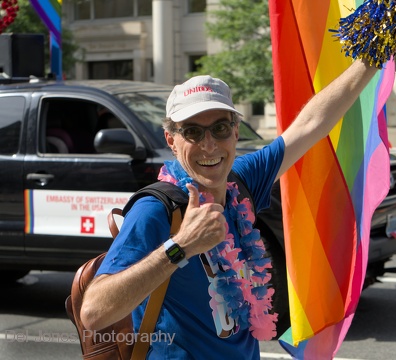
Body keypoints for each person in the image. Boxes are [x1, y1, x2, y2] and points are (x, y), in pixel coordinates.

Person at [80, 59, 378, 359]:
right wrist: (180, 247)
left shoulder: (240, 181)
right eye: (193, 132)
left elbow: (312, 123)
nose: (209, 145)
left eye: (220, 128)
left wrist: (371, 57)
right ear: (171, 140)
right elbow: (93, 312)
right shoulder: (155, 210)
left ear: (235, 133)